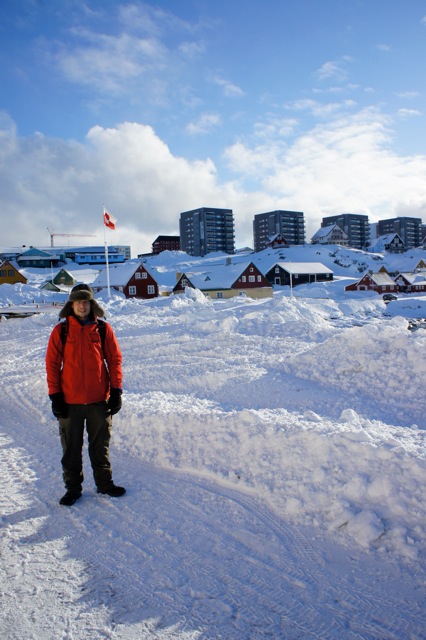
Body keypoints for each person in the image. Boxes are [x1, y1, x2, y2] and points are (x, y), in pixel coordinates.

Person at [46, 284, 125, 506]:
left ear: (92, 304)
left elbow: (114, 360)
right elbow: (52, 364)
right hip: (70, 402)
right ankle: (72, 489)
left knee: (100, 446)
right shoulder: (61, 331)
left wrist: (116, 390)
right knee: (71, 448)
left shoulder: (103, 329)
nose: (82, 305)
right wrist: (56, 396)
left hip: (99, 401)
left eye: (86, 301)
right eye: (78, 302)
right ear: (72, 305)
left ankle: (105, 484)